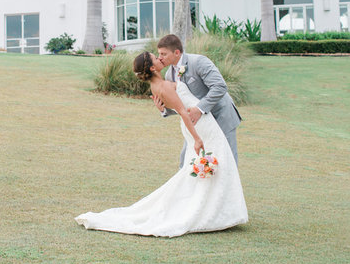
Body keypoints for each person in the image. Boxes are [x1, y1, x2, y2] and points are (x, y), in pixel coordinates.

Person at [74, 52, 247, 237]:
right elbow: (183, 112)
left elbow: (181, 104)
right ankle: (210, 211)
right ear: (152, 67)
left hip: (202, 122)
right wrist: (197, 139)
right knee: (211, 164)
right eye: (155, 57)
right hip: (200, 127)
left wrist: (165, 109)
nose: (159, 58)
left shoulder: (160, 84)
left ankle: (219, 209)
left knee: (217, 164)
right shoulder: (163, 86)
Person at [154, 34, 241, 167]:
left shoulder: (199, 62)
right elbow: (182, 105)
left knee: (226, 159)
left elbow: (220, 86)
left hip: (221, 116)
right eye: (159, 54)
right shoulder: (169, 75)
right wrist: (165, 110)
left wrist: (199, 109)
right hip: (199, 124)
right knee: (186, 160)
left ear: (176, 52)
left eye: (163, 54)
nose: (160, 58)